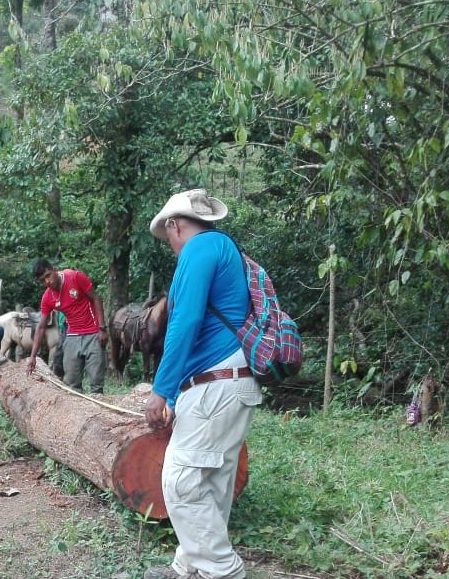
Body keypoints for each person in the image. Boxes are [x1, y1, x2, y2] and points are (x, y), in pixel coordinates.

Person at [143, 189, 262, 579]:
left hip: (216, 380)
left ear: (175, 225)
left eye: (169, 240)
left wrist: (160, 389)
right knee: (210, 480)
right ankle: (188, 567)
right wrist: (179, 395)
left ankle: (223, 572)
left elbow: (187, 322)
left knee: (180, 481)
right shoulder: (226, 249)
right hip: (230, 380)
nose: (172, 249)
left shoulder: (200, 248)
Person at [26, 260, 107, 394]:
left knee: (96, 385)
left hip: (93, 333)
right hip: (72, 336)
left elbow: (96, 298)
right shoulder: (47, 297)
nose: (47, 282)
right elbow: (41, 327)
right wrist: (32, 356)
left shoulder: (75, 277)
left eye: (48, 276)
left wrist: (102, 328)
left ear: (54, 269)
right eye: (42, 280)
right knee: (72, 385)